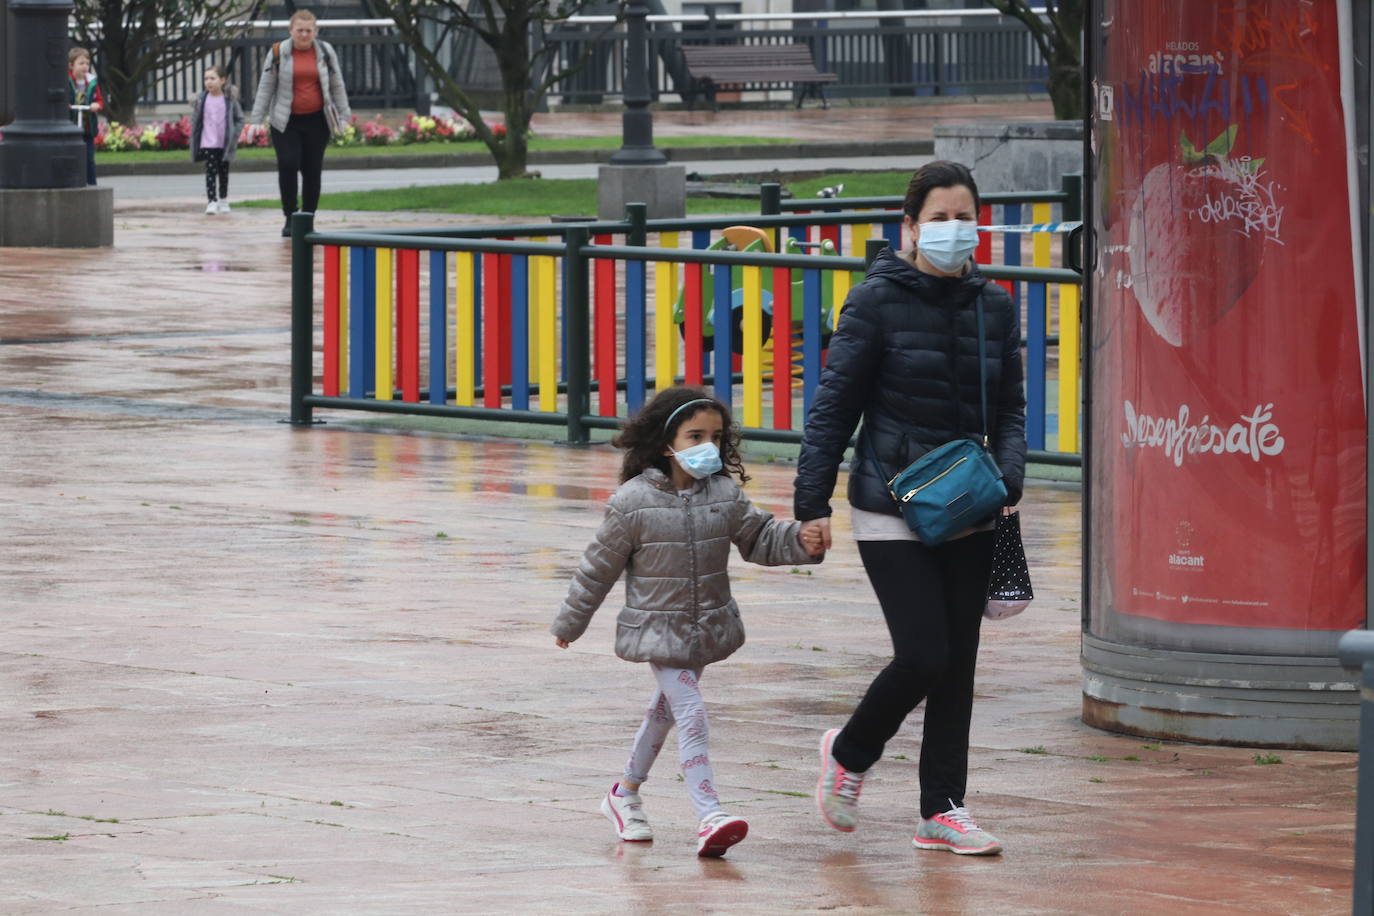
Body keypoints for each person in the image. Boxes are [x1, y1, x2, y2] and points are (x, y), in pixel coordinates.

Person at [793, 160, 1027, 856]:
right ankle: (850, 752)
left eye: (964, 217)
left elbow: (1011, 407)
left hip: (972, 503)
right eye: (941, 218)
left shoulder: (995, 307)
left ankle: (942, 808)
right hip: (890, 504)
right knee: (924, 652)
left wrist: (1009, 474)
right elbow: (833, 409)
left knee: (958, 664)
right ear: (910, 226)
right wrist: (814, 503)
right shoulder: (874, 301)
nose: (955, 230)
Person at [551, 386, 825, 858]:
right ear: (665, 443)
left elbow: (760, 537)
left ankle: (623, 795)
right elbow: (597, 568)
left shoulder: (724, 493)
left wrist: (802, 540)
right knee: (692, 711)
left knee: (665, 712)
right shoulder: (631, 503)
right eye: (695, 435)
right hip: (656, 630)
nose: (708, 446)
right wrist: (569, 624)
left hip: (704, 628)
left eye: (716, 437)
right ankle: (709, 814)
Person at [248, 9, 351, 237]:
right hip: (285, 121)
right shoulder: (278, 52)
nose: (304, 35)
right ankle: (290, 217)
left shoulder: (325, 51)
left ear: (315, 31)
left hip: (317, 121)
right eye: (300, 30)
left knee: (312, 171)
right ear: (291, 30)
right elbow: (265, 87)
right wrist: (256, 119)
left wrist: (344, 115)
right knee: (288, 163)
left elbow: (337, 84)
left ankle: (308, 217)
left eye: (309, 30)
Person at [190, 65, 244, 215]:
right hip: (208, 142)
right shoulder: (201, 100)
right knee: (210, 171)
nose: (209, 82)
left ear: (222, 80)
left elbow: (239, 119)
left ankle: (223, 200)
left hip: (224, 144)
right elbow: (195, 120)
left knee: (223, 172)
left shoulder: (229, 99)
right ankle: (212, 201)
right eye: (206, 79)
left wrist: (234, 135)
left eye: (212, 78)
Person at [67, 47, 103, 187]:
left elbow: (100, 100)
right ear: (71, 65)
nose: (85, 66)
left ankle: (92, 184)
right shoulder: (67, 80)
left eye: (87, 63)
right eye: (81, 63)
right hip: (71, 126)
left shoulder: (92, 82)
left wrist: (96, 105)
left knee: (89, 159)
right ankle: (72, 183)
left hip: (87, 127)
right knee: (71, 157)